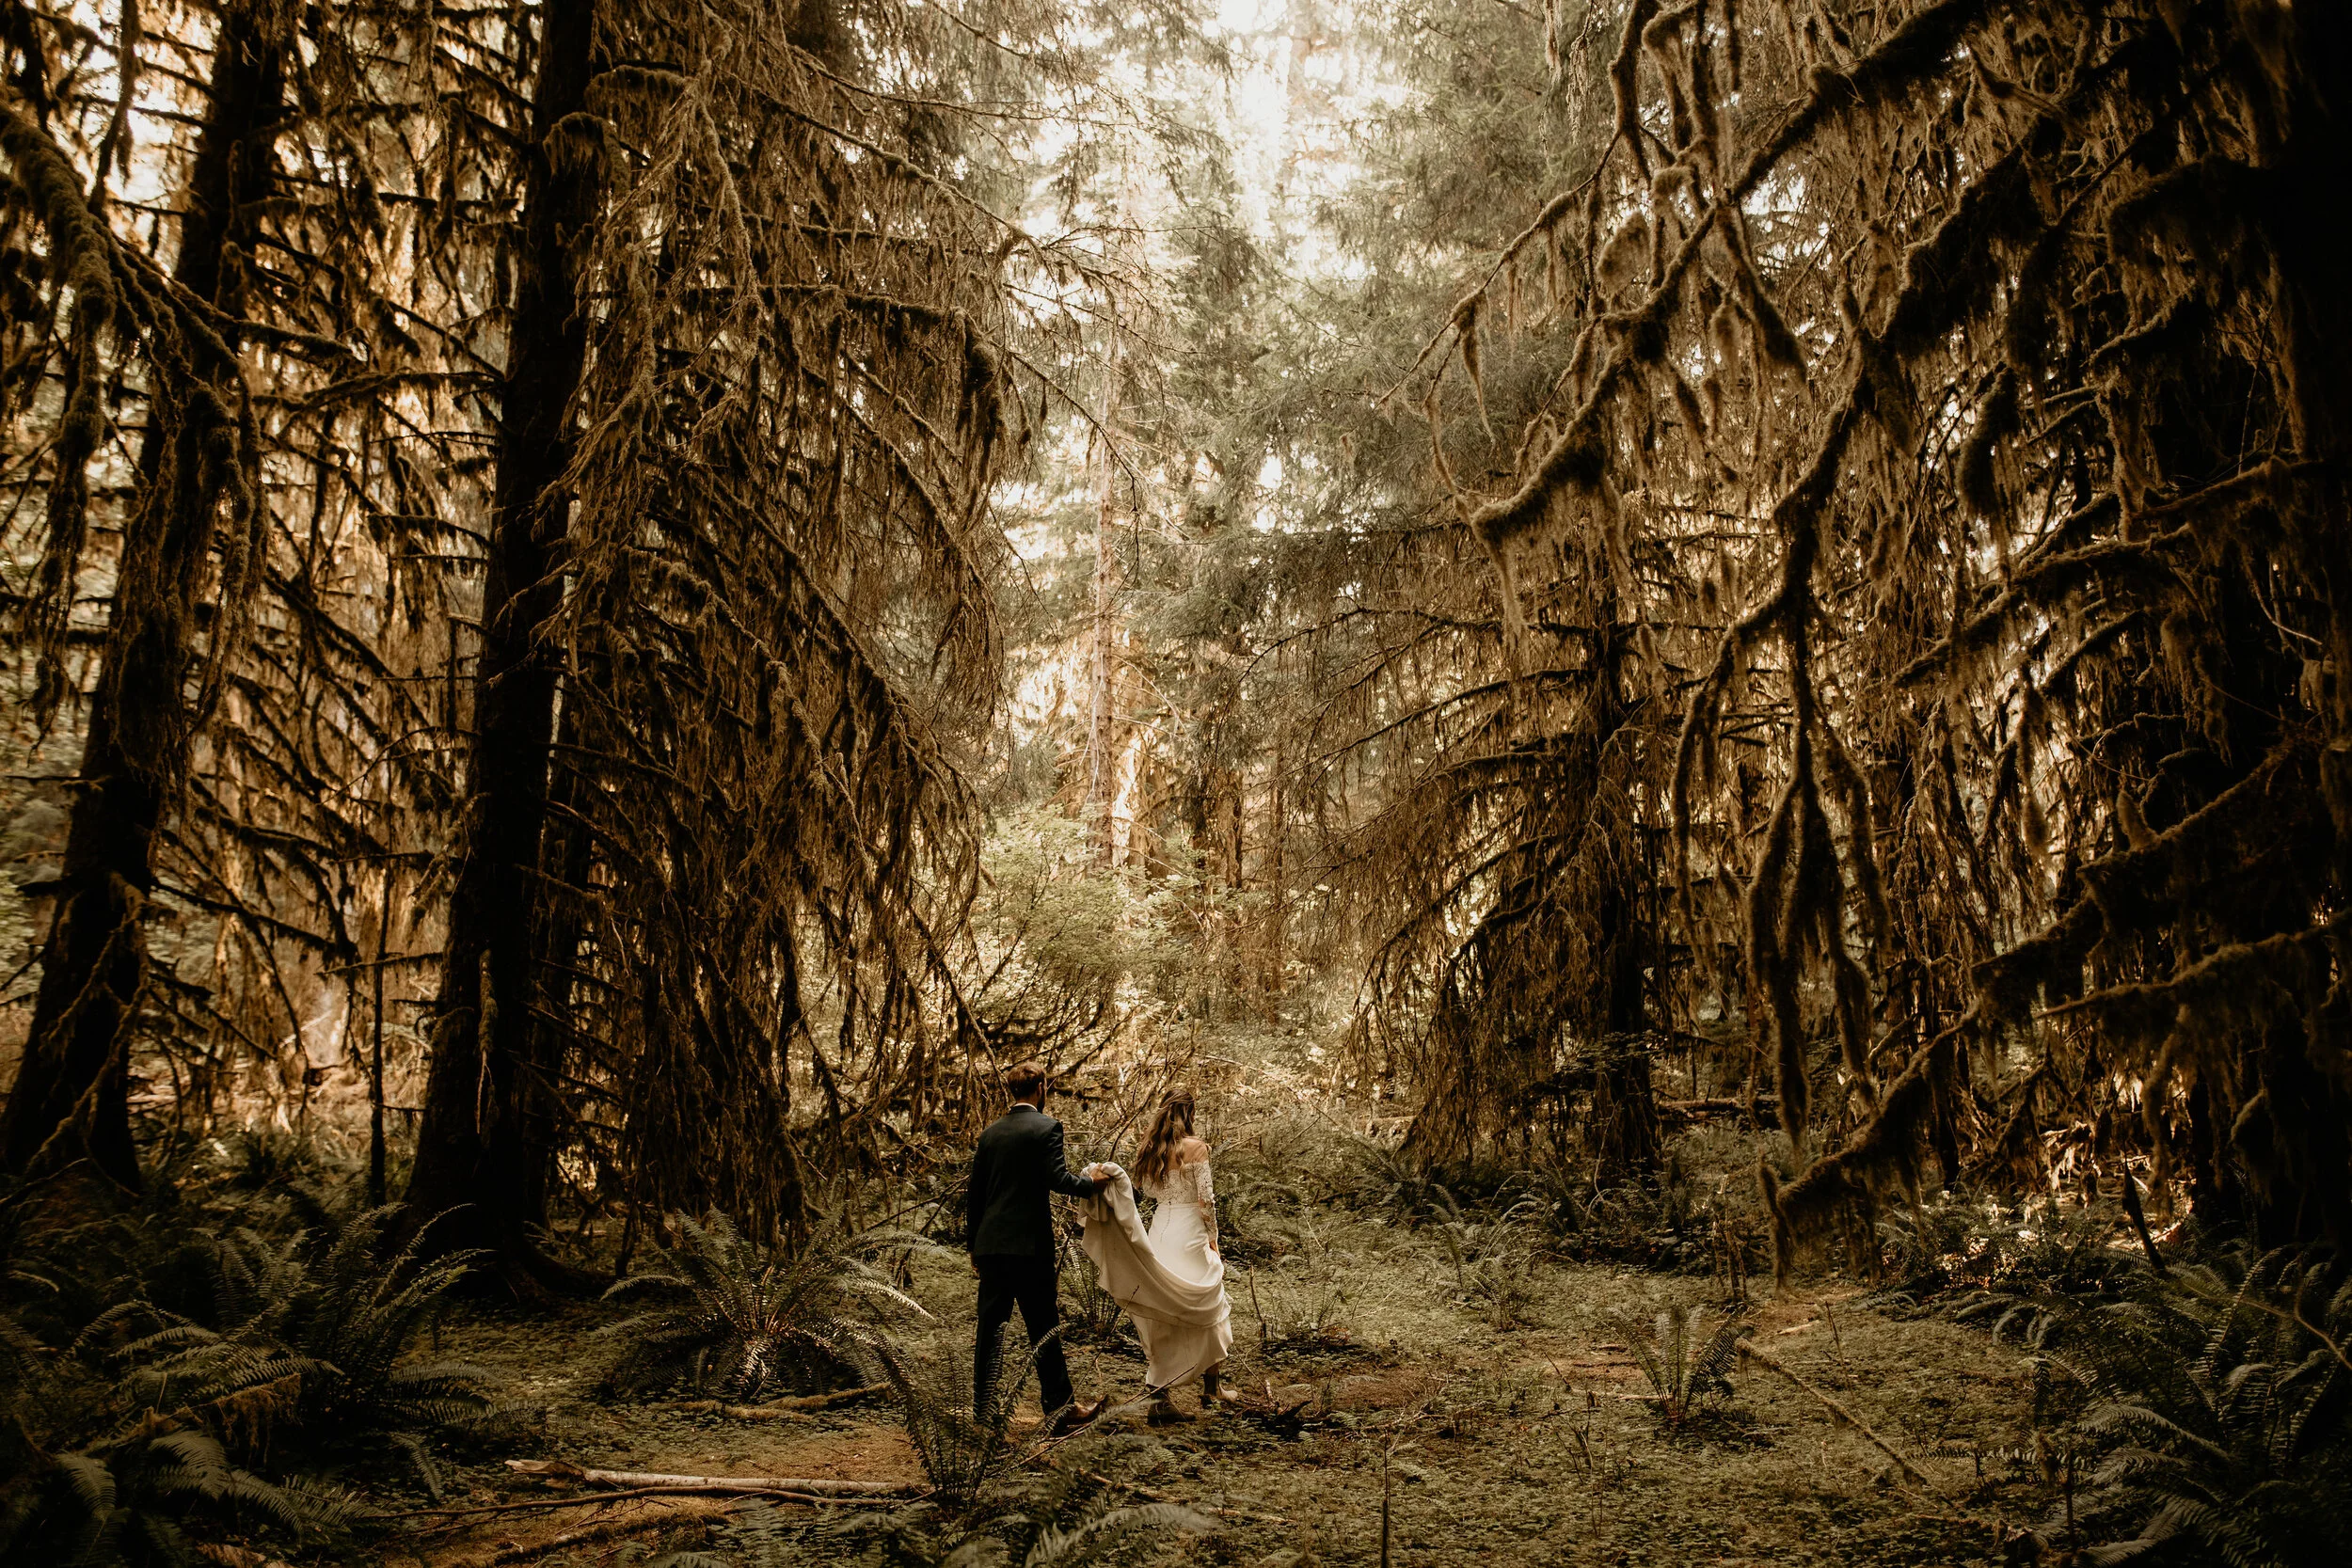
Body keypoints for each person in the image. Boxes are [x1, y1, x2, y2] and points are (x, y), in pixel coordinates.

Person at [966, 1060, 1110, 1431]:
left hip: (992, 1247)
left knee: (990, 1332)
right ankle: (1060, 1411)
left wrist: (974, 1247)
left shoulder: (990, 1134)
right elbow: (1057, 1179)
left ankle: (983, 1415)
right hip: (1030, 1249)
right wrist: (1091, 1184)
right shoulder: (1047, 1127)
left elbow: (975, 1195)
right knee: (1044, 1328)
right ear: (1041, 1088)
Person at [1078, 1088, 1235, 1421]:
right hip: (1190, 1232)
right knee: (1210, 1301)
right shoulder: (1197, 1148)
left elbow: (1147, 1192)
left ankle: (1161, 1396)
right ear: (1190, 1112)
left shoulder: (1149, 1149)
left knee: (1164, 1310)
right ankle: (1211, 1388)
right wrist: (1213, 1239)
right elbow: (1206, 1200)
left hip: (1161, 1229)